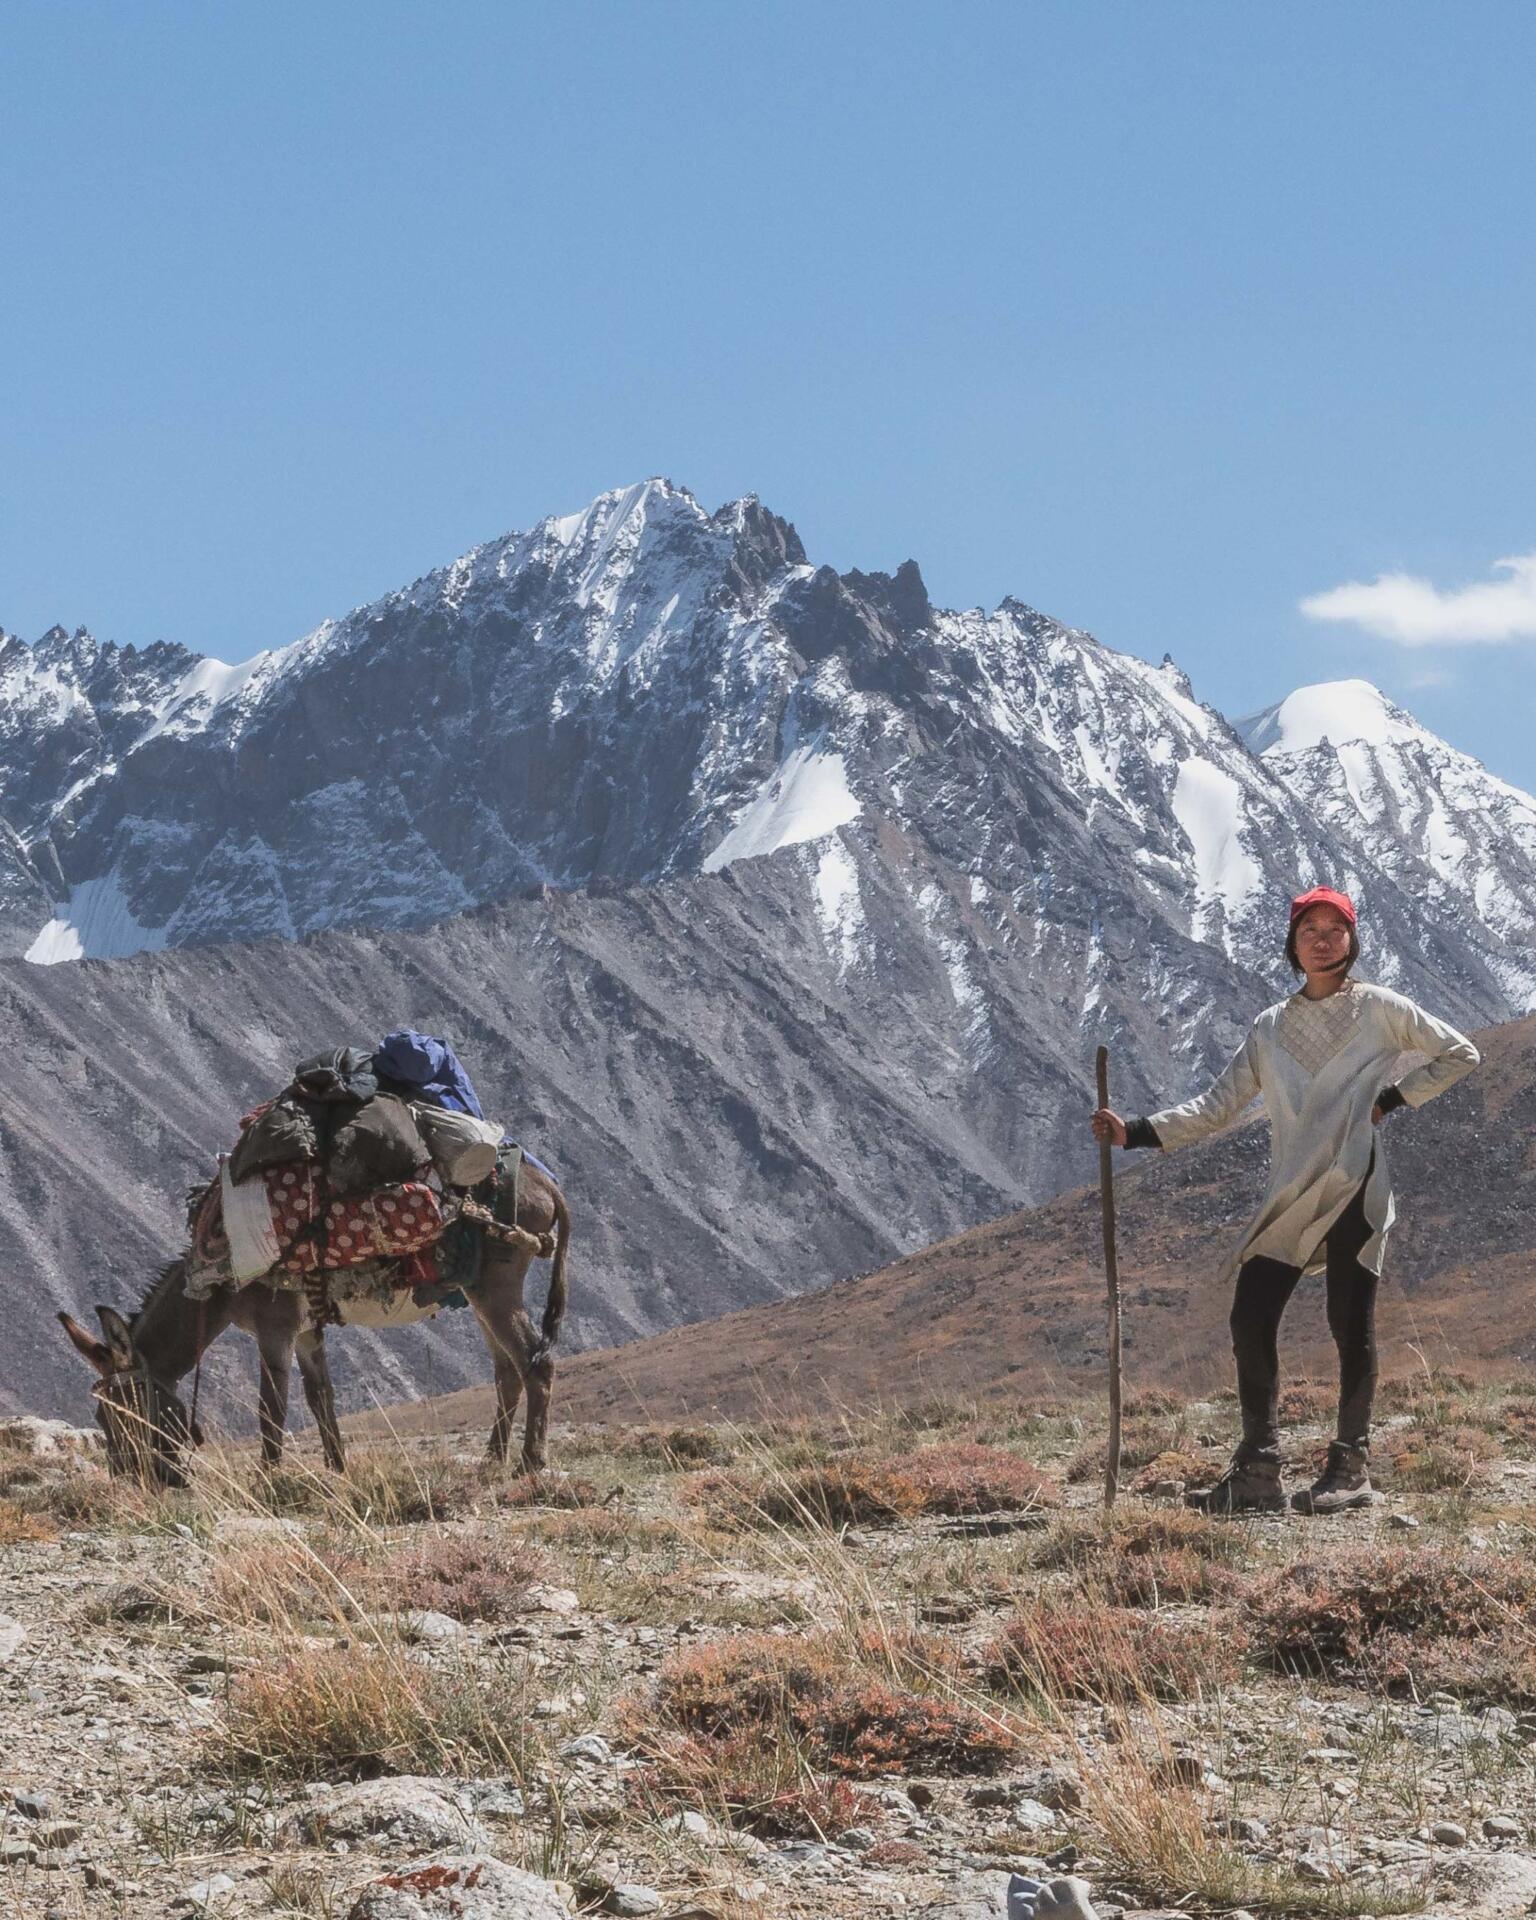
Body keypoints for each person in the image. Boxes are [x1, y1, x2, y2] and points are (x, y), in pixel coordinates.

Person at [1090, 887, 1479, 1515]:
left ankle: (1350, 1467)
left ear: (1353, 941)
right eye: (1310, 930)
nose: (1323, 940)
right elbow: (1217, 1107)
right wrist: (1133, 1131)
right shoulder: (1269, 1028)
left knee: (1350, 1323)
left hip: (1355, 1183)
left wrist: (1394, 1099)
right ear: (1292, 945)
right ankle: (1260, 1470)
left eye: (1336, 929)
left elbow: (1461, 1053)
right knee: (1251, 1314)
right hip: (1292, 1191)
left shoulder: (1382, 1008)